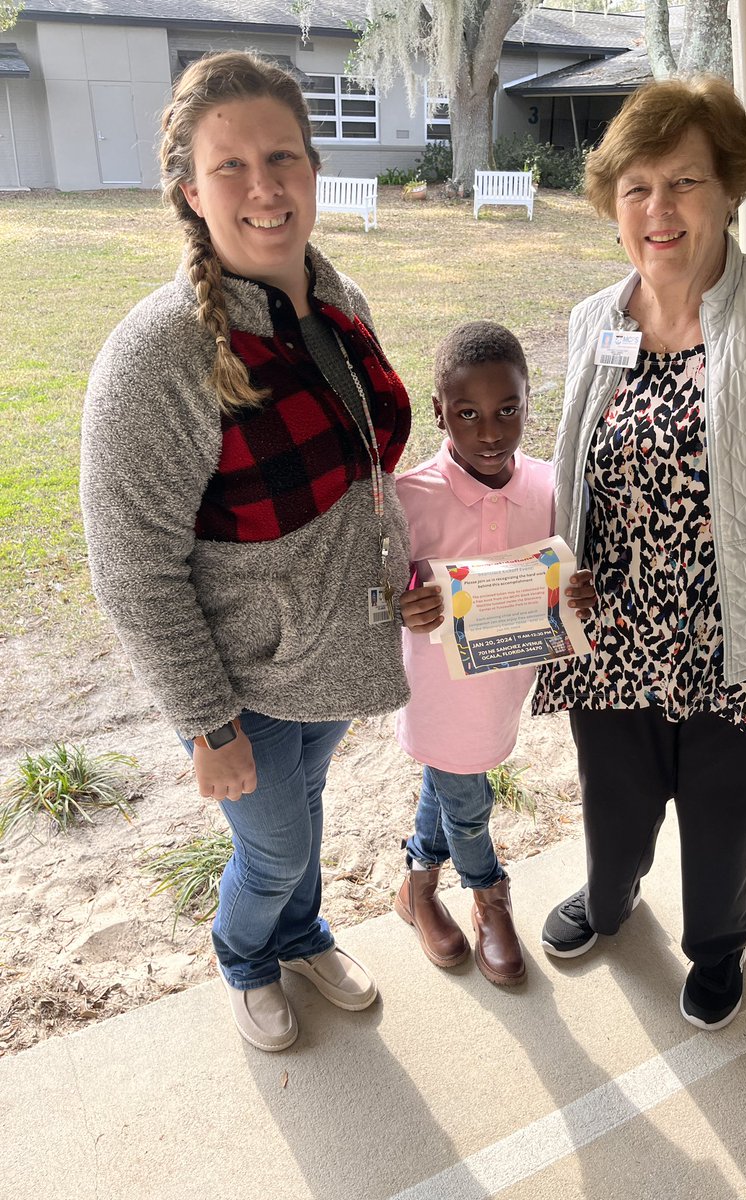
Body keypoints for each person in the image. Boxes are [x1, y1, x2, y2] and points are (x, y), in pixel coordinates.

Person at [533, 76, 746, 1030]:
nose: (660, 209)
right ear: (613, 203)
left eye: (683, 182)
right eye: (637, 186)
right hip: (618, 635)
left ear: (728, 188)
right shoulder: (595, 320)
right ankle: (610, 902)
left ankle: (718, 948)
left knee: (726, 825)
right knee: (613, 804)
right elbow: (569, 472)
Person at [80, 52, 411, 1052]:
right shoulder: (158, 356)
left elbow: (367, 465)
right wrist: (207, 725)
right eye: (232, 167)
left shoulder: (333, 294)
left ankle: (303, 933)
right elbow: (133, 570)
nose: (264, 187)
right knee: (272, 849)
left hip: (338, 651)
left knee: (303, 814)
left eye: (284, 157)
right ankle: (247, 955)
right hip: (246, 684)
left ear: (312, 168)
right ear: (189, 190)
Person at [393, 321, 596, 985]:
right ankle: (490, 896)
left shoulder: (546, 486)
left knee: (449, 781)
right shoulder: (410, 497)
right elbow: (369, 597)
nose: (490, 432)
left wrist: (576, 592)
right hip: (437, 696)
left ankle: (417, 884)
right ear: (439, 413)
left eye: (508, 410)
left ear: (529, 402)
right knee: (468, 800)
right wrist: (400, 603)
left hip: (502, 691)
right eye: (468, 415)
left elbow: (561, 578)